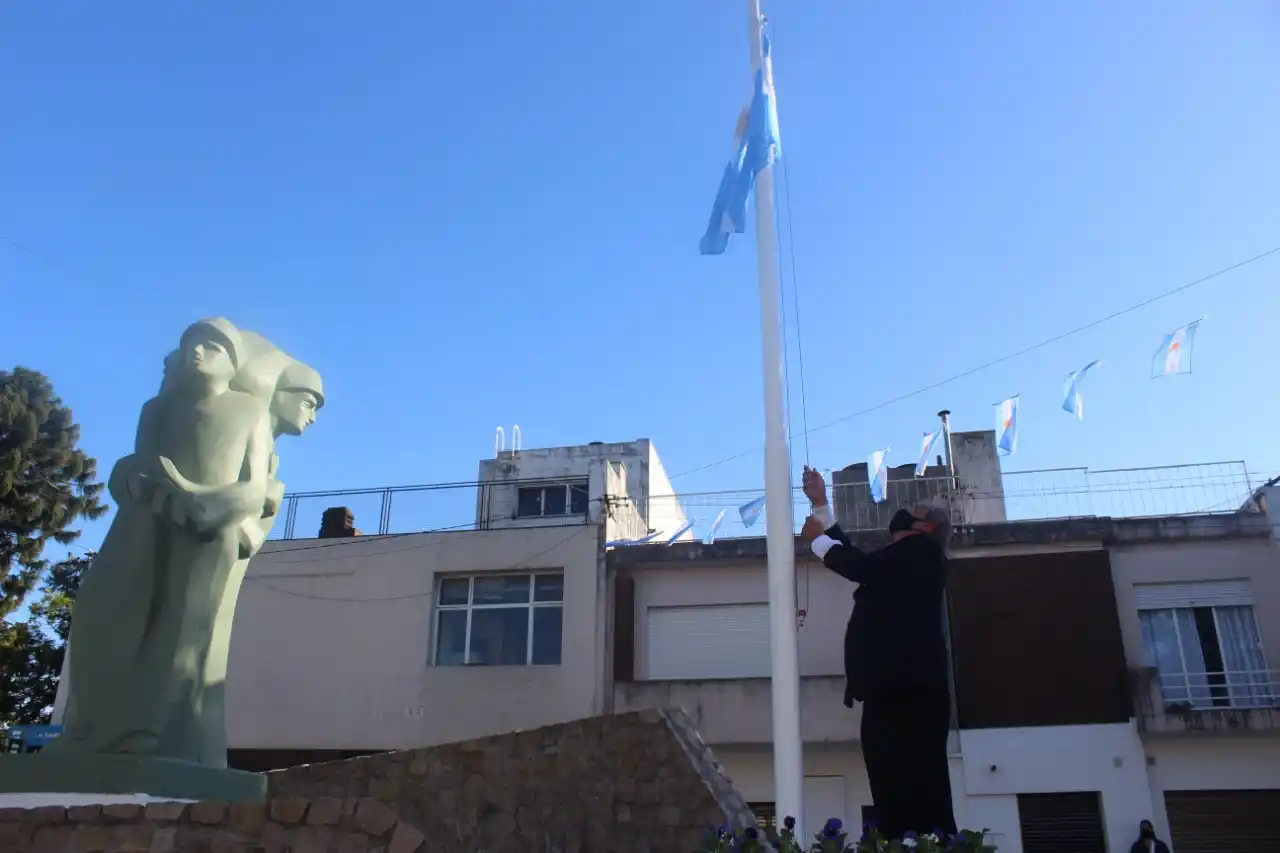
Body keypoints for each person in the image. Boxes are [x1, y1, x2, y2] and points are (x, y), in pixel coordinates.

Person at [800, 466, 957, 841]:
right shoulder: (906, 561)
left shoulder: (921, 552)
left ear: (927, 529)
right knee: (894, 784)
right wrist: (821, 505)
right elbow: (861, 561)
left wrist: (818, 542)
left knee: (910, 787)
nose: (904, 512)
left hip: (908, 693)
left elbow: (858, 565)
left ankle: (922, 841)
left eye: (915, 511)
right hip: (895, 691)